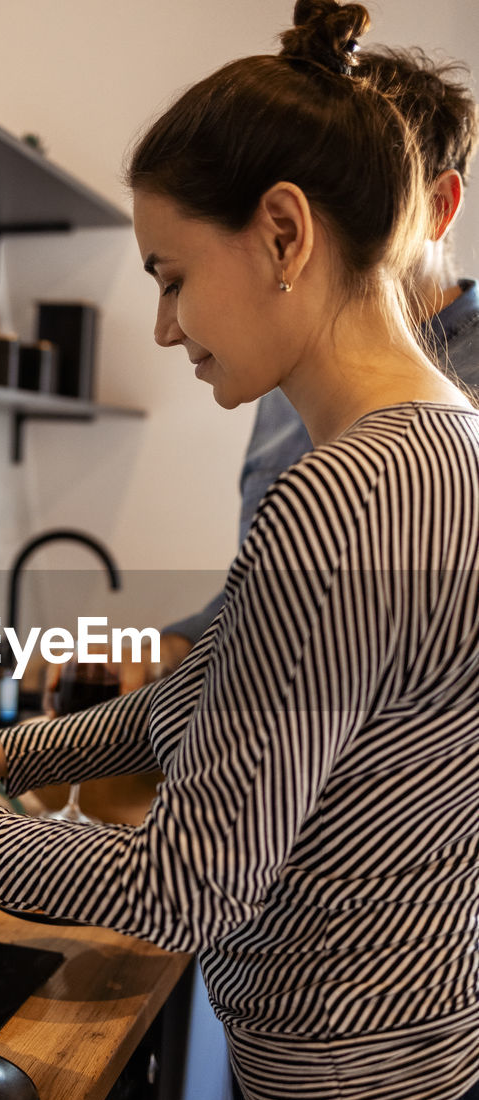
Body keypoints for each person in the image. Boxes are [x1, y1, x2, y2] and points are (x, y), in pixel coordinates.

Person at [0, 3, 479, 1100]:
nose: (164, 326)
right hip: (400, 1087)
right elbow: (203, 693)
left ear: (282, 231)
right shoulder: (429, 441)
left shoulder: (344, 494)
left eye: (170, 275)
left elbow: (183, 885)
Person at [160, 44, 479, 672]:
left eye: (369, 195)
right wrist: (171, 648)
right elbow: (274, 596)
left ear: (437, 208)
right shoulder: (284, 365)